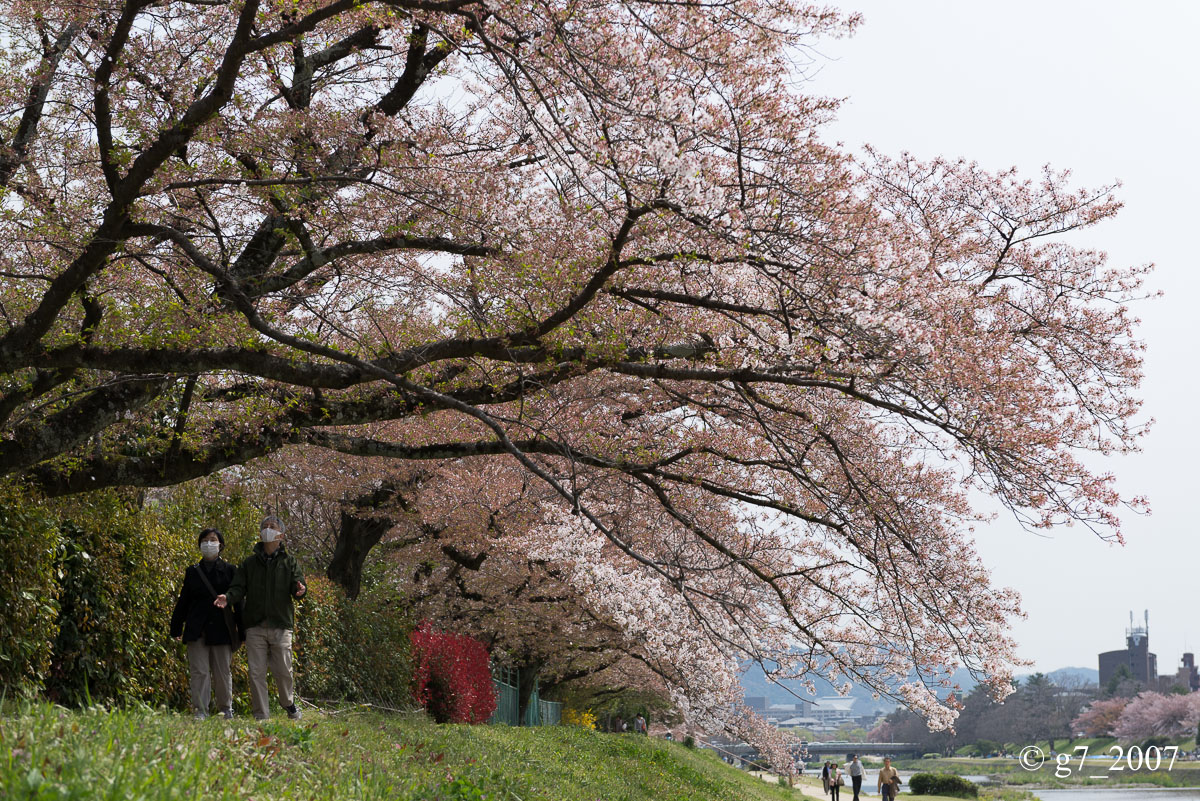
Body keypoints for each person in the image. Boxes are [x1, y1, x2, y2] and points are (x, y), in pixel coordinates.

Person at [215, 515, 306, 721]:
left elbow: (297, 584)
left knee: (283, 671)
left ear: (281, 535)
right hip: (254, 625)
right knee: (256, 673)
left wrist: (301, 589)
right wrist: (227, 598)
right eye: (264, 526)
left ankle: (288, 703)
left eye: (272, 526)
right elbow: (238, 588)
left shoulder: (289, 562)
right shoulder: (249, 564)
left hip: (281, 624)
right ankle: (261, 716)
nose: (267, 529)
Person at [170, 528, 242, 719]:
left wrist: (242, 630)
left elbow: (238, 601)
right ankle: (200, 710)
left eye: (213, 540)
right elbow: (184, 600)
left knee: (222, 673)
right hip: (196, 627)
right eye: (205, 540)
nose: (208, 543)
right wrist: (176, 626)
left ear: (221, 545)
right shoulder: (192, 572)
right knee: (199, 672)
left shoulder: (230, 570)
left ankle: (225, 709)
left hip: (222, 628)